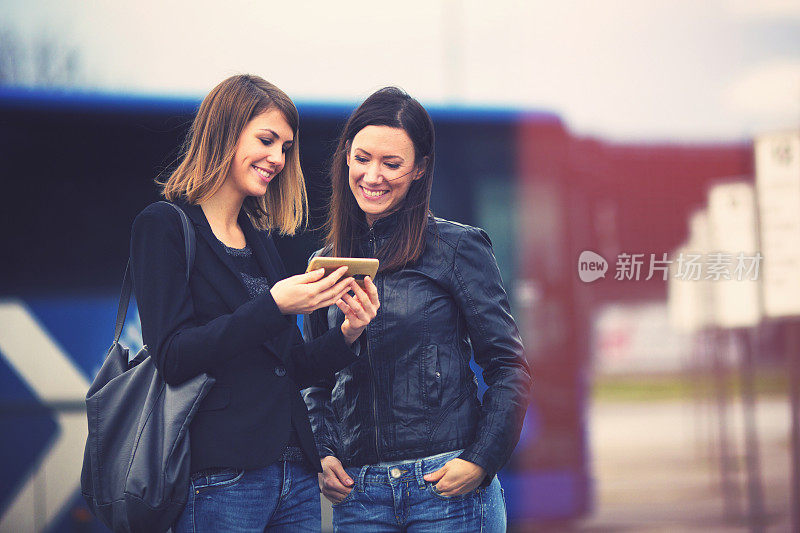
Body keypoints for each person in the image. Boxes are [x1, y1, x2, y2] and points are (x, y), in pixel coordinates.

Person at [129, 74, 379, 532]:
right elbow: (174, 356)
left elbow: (289, 368)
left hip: (296, 477)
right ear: (225, 131)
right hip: (222, 478)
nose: (277, 159)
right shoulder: (163, 225)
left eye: (285, 147)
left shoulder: (258, 237)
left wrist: (349, 333)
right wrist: (274, 306)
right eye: (267, 140)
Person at [303, 87, 531, 532]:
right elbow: (314, 380)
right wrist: (324, 452)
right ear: (346, 155)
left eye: (392, 164)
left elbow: (509, 367)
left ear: (419, 169)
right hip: (360, 494)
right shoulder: (325, 263)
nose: (373, 176)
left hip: (445, 490)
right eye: (363, 158)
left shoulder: (457, 247)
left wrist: (481, 461)